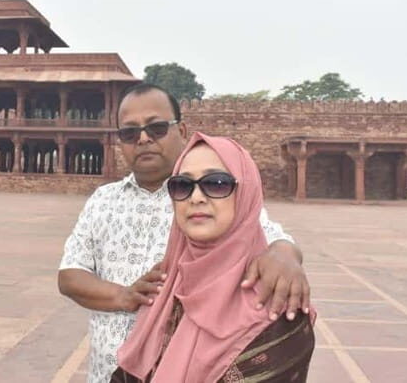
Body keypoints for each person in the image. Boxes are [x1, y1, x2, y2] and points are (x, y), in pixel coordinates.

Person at [59, 84, 311, 383]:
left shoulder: (208, 205)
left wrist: (284, 255)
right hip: (112, 367)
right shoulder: (103, 200)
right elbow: (69, 274)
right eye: (130, 133)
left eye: (156, 128)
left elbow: (268, 237)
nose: (143, 139)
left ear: (182, 130)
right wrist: (123, 296)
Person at [112, 133, 315, 382]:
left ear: (245, 194)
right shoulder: (165, 291)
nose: (196, 197)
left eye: (216, 183)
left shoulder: (278, 305)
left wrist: (285, 249)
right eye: (182, 186)